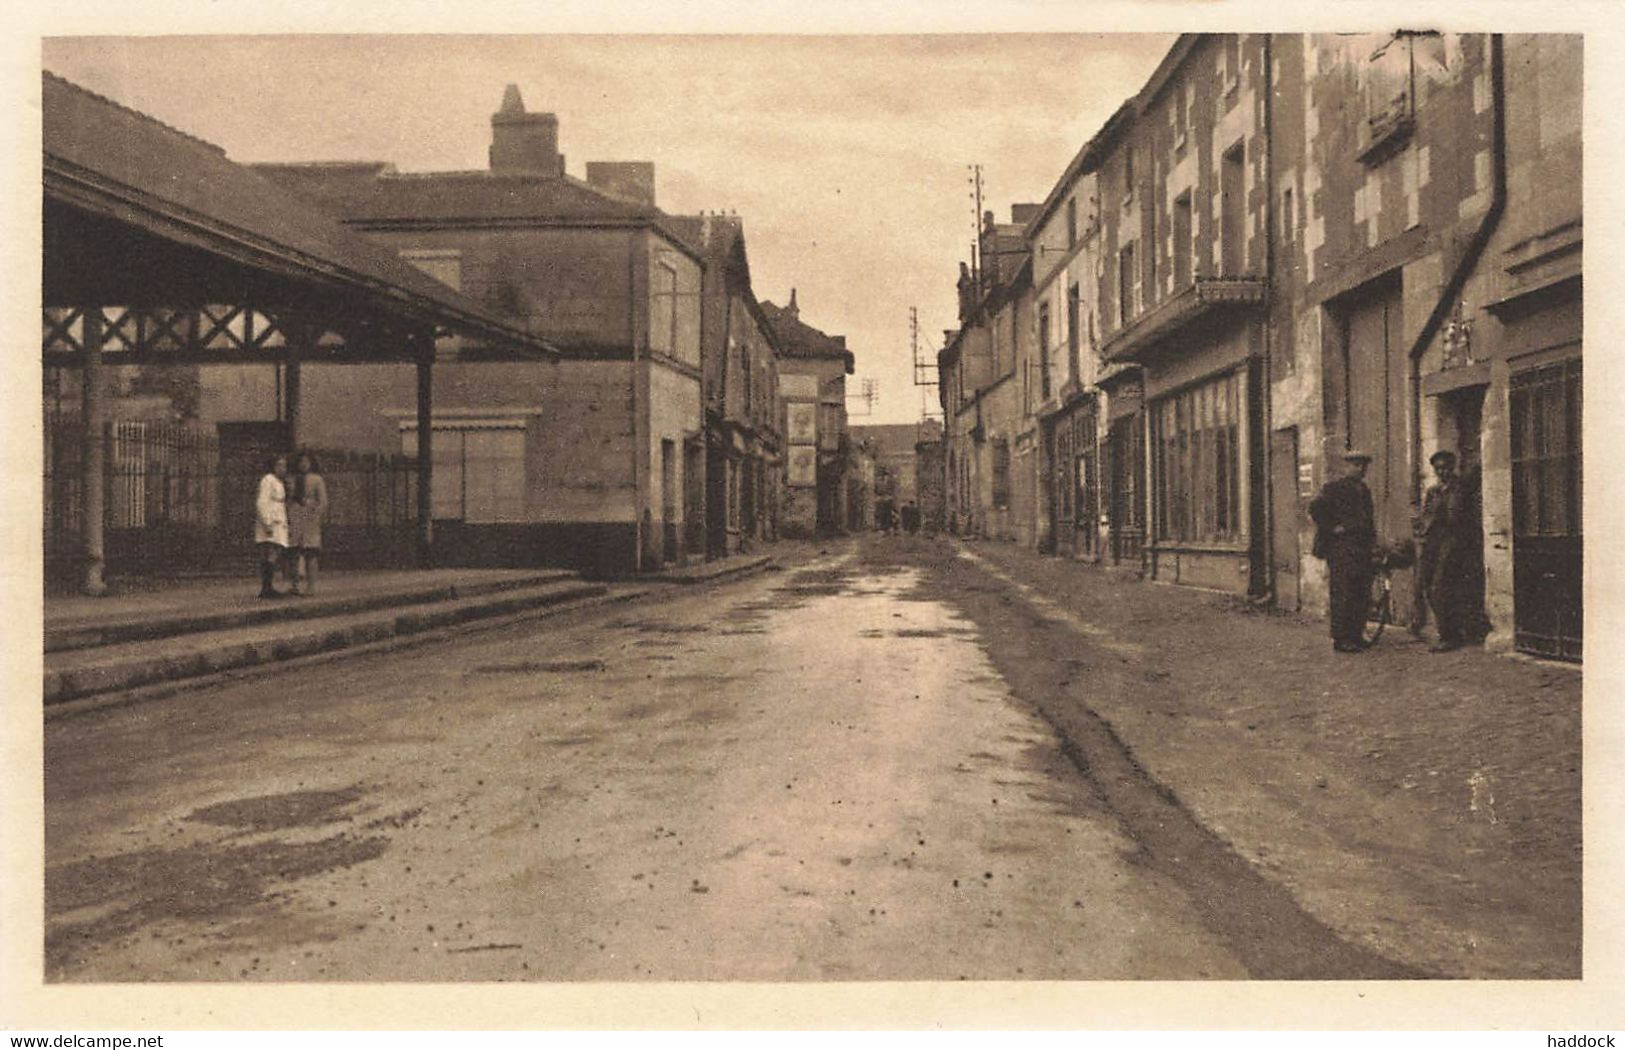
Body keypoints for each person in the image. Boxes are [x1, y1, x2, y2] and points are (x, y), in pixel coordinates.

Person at [1309, 449, 1377, 653]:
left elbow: (1368, 520)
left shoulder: (1364, 489)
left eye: (1363, 466)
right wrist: (1332, 528)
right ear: (1347, 467)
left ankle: (1356, 634)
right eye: (1356, 465)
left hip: (1361, 548)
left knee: (1361, 592)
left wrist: (1372, 542)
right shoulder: (1334, 488)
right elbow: (1315, 509)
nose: (1361, 469)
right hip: (1341, 549)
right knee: (1343, 592)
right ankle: (1341, 638)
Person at [1414, 448, 1474, 652]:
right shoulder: (1433, 491)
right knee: (1428, 585)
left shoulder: (1461, 488)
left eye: (1446, 468)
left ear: (1453, 467)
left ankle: (1450, 635)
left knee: (1442, 587)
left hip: (1454, 542)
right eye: (1438, 469)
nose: (1442, 472)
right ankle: (1446, 631)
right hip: (1434, 542)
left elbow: (1458, 517)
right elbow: (1425, 516)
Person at [286, 450, 329, 596]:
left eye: (306, 462)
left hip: (310, 520)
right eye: (301, 462)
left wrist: (315, 513)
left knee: (311, 553)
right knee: (293, 554)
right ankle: (294, 585)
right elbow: (287, 499)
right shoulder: (291, 479)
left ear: (311, 463)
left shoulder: (317, 480)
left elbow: (323, 502)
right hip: (295, 518)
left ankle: (311, 587)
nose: (303, 465)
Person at [254, 453, 290, 599]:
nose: (283, 468)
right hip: (270, 521)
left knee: (274, 553)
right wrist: (267, 522)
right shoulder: (268, 480)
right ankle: (266, 587)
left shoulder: (280, 482)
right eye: (279, 465)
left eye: (284, 466)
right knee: (270, 553)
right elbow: (262, 503)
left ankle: (268, 586)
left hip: (278, 520)